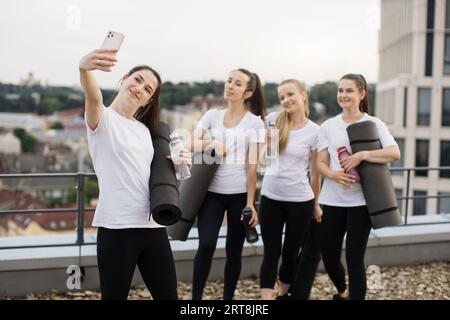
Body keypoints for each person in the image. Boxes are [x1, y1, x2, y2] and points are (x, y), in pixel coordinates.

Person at [79, 48, 190, 300]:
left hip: (153, 226)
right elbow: (94, 97)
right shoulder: (103, 119)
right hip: (117, 228)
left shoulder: (146, 131)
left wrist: (179, 165)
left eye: (148, 89)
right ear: (124, 79)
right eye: (137, 80)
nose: (140, 88)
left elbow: (156, 176)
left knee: (168, 296)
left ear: (148, 101)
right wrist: (84, 69)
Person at [316, 74, 400, 300]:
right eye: (340, 90)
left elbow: (394, 153)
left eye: (349, 91)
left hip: (361, 203)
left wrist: (363, 154)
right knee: (330, 256)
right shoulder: (328, 125)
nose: (343, 95)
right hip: (332, 201)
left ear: (362, 94)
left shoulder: (374, 124)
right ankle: (343, 293)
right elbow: (320, 163)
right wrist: (333, 174)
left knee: (354, 257)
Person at [189, 68, 266, 300]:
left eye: (238, 83)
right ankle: (195, 301)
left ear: (248, 92)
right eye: (229, 80)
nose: (230, 85)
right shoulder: (212, 116)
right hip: (211, 193)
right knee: (206, 244)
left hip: (239, 195)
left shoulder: (255, 123)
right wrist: (211, 142)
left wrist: (251, 203)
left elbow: (252, 167)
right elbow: (190, 143)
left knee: (234, 251)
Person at [258, 79, 322, 300]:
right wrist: (266, 146)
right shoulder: (273, 120)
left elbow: (315, 173)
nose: (286, 100)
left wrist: (316, 204)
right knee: (271, 253)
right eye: (282, 97)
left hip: (300, 201)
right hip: (270, 198)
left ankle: (283, 294)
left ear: (303, 95)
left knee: (289, 254)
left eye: (290, 95)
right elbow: (261, 160)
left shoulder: (315, 131)